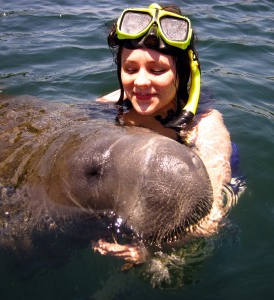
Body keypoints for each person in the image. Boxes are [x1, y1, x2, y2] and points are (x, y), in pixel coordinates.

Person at [94, 3, 239, 265]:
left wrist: (148, 252)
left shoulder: (205, 126)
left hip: (177, 222)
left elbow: (210, 219)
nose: (140, 82)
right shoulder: (108, 106)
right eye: (130, 69)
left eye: (157, 70)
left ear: (183, 72)